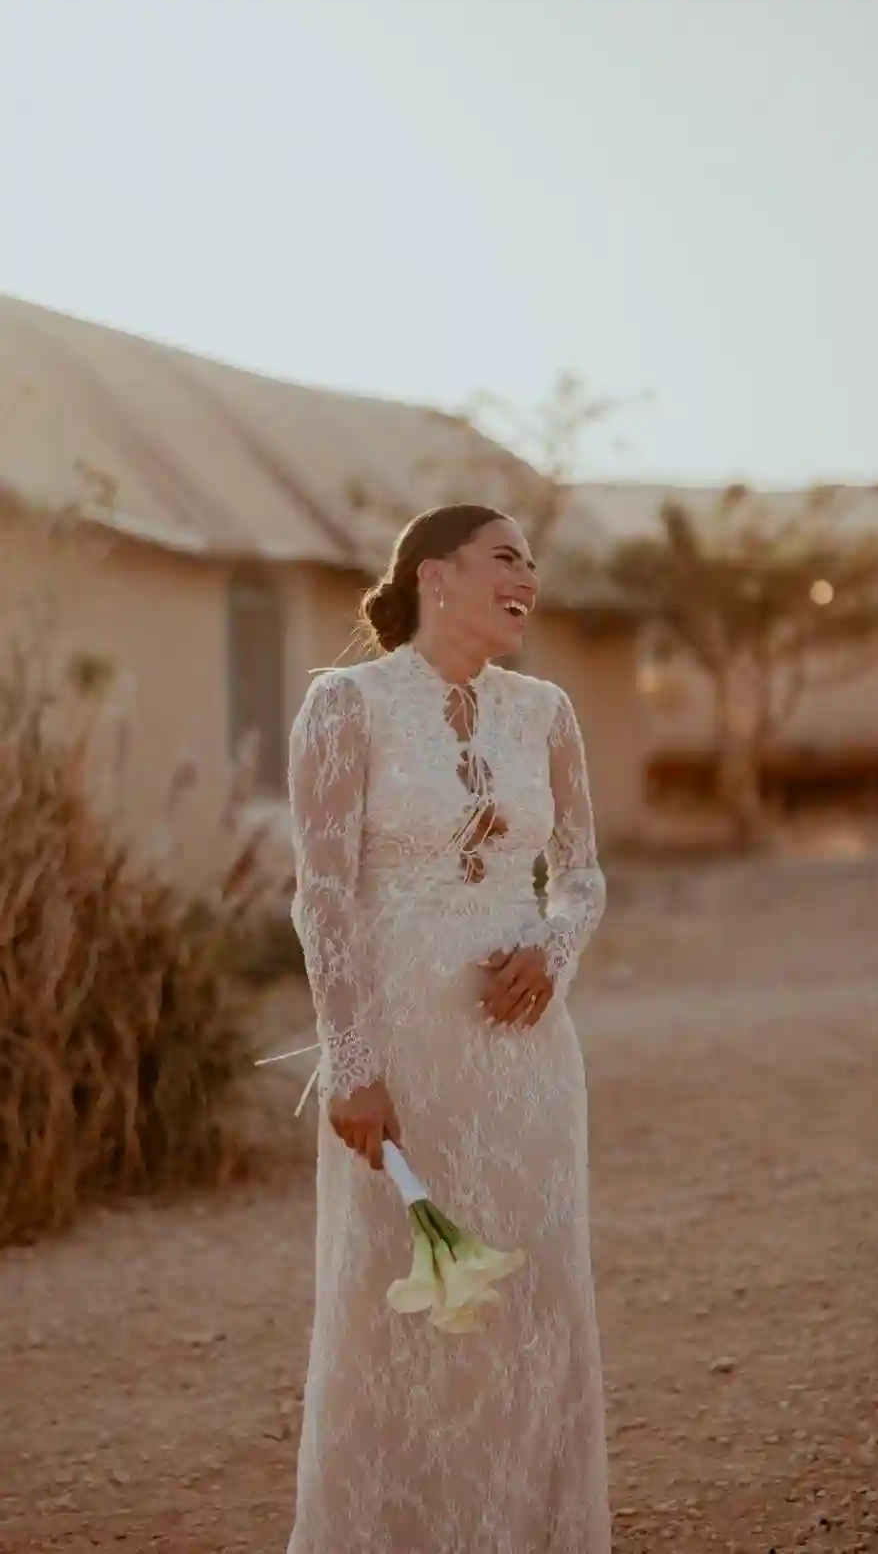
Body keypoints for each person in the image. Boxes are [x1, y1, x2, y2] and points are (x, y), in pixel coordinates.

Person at [285, 502, 610, 1553]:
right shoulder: (347, 705)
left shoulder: (545, 711)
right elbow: (322, 895)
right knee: (398, 1308)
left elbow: (582, 874)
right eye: (505, 557)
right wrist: (352, 1061)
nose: (528, 578)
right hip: (405, 1058)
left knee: (535, 1299)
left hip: (528, 1058)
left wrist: (554, 948)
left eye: (533, 563)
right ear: (435, 575)